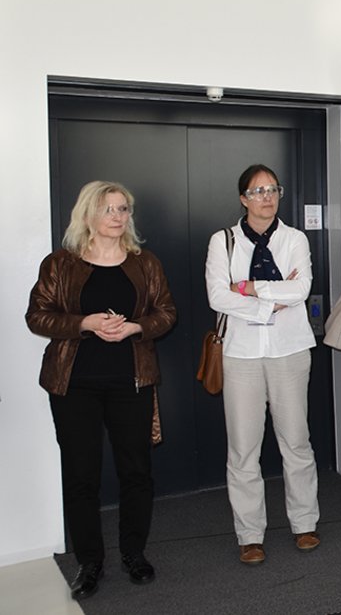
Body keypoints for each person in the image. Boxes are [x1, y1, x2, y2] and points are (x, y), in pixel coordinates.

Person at [26, 181, 177, 599]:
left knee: (136, 472)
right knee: (81, 475)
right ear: (88, 214)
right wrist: (84, 323)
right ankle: (89, 562)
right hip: (74, 384)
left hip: (131, 381)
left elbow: (167, 313)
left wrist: (135, 327)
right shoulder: (61, 263)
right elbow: (37, 316)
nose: (117, 216)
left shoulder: (145, 263)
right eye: (108, 209)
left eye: (123, 208)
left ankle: (134, 553)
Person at [205, 164, 321, 565]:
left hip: (290, 350)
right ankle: (250, 534)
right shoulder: (223, 241)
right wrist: (270, 303)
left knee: (297, 441)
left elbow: (301, 288)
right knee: (243, 449)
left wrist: (249, 288)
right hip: (241, 354)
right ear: (243, 198)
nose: (267, 197)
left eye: (273, 189)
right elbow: (217, 297)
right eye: (257, 191)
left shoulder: (295, 238)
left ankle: (304, 523)